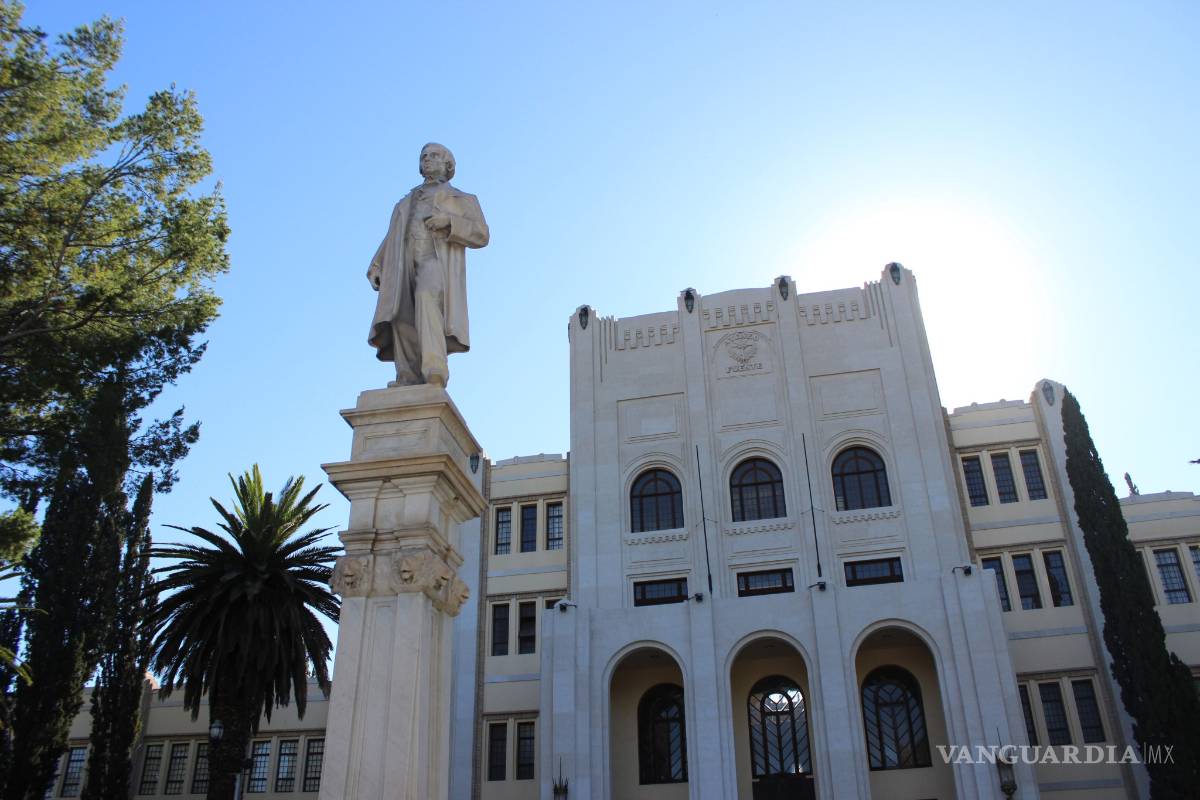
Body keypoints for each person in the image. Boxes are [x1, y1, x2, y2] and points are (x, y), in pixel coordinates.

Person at [367, 143, 489, 387]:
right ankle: (408, 375)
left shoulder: (462, 199)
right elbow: (392, 236)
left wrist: (449, 222)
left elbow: (482, 234)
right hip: (402, 262)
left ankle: (435, 369)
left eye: (434, 156)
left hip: (435, 258)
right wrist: (377, 265)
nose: (427, 160)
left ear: (448, 164)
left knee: (426, 297)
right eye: (423, 156)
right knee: (400, 312)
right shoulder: (405, 202)